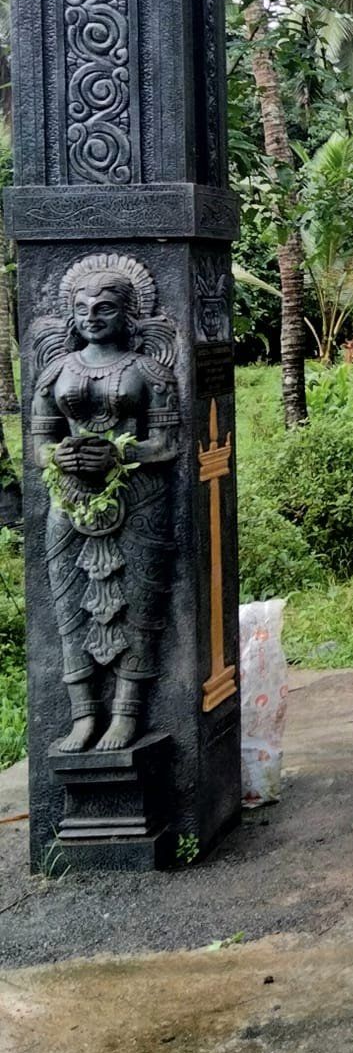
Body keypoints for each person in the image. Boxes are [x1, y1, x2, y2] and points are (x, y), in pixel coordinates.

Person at [31, 254, 180, 751]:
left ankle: (126, 712)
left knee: (141, 602)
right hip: (70, 499)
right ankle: (83, 715)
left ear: (128, 315)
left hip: (138, 496)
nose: (92, 315)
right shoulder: (56, 371)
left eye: (105, 307)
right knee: (68, 602)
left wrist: (120, 453)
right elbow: (39, 446)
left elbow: (167, 444)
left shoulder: (150, 371)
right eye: (82, 307)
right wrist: (64, 454)